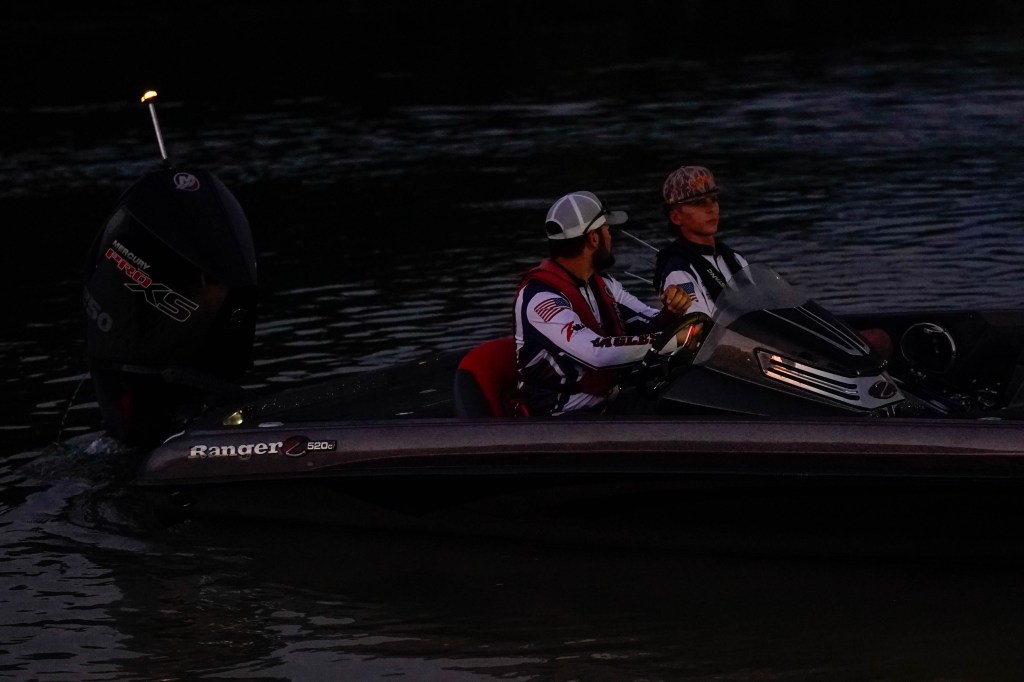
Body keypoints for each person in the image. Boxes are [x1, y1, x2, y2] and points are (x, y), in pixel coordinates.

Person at [513, 190, 697, 417]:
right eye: (608, 229)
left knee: (689, 393)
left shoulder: (604, 285)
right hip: (559, 419)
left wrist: (672, 311)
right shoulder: (540, 298)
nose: (611, 237)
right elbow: (597, 354)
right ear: (594, 238)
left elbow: (649, 321)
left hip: (606, 407)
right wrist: (676, 341)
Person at [653, 165, 749, 318]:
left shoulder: (735, 258)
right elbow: (698, 322)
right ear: (675, 217)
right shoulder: (678, 270)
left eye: (713, 200)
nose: (711, 208)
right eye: (698, 203)